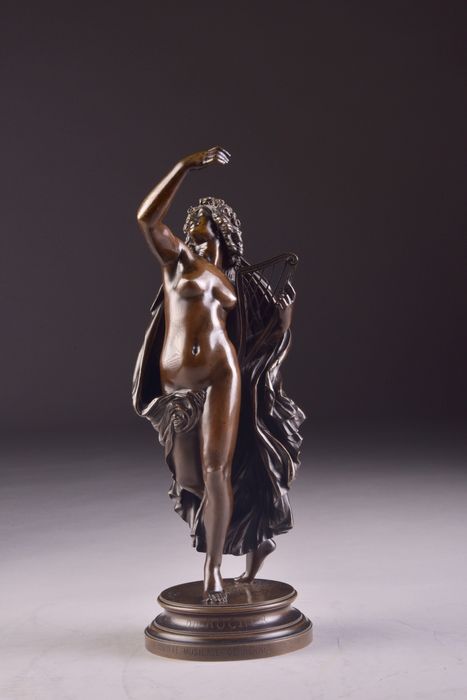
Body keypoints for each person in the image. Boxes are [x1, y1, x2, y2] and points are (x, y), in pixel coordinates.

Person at [132, 147, 305, 604]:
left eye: (210, 239)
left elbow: (258, 340)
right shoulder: (178, 262)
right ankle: (249, 536)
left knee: (216, 470)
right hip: (178, 389)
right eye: (195, 237)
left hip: (222, 376)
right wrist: (183, 167)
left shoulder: (237, 280)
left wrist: (283, 323)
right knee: (190, 480)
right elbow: (147, 219)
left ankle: (212, 569)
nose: (201, 246)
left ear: (226, 241)